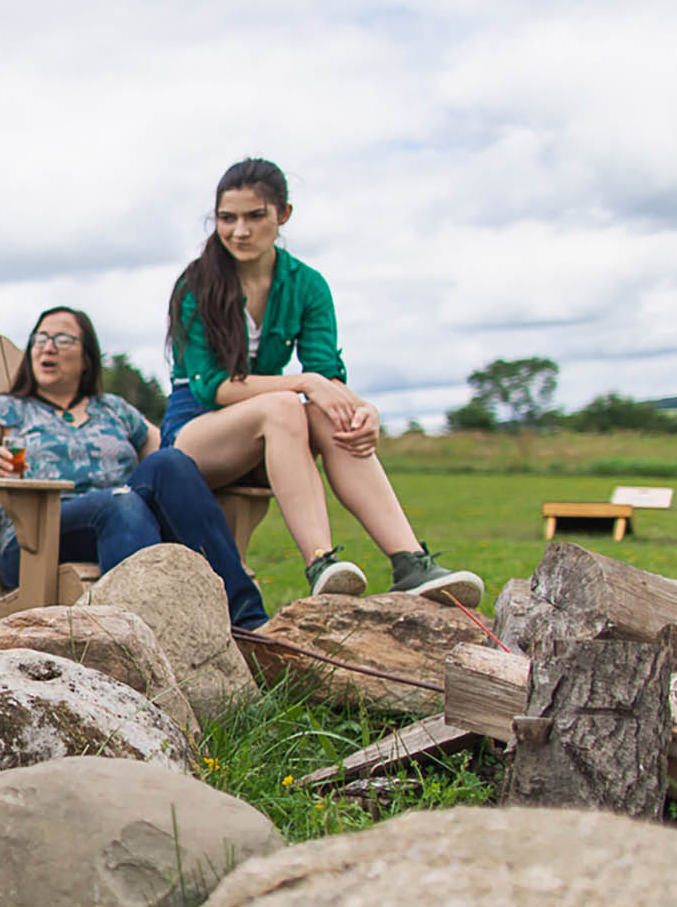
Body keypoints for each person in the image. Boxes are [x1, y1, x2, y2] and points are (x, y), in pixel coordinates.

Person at [162, 159, 481, 605]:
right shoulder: (196, 284)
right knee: (286, 405)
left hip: (273, 435)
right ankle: (320, 561)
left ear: (283, 215)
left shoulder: (307, 285)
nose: (239, 231)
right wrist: (305, 383)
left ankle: (410, 561)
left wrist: (363, 409)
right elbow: (214, 388)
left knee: (331, 415)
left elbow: (326, 374)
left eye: (255, 216)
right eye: (227, 218)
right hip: (196, 436)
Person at [0, 306, 269, 630]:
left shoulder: (115, 410)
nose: (47, 347)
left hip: (127, 522)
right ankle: (146, 633)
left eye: (62, 339)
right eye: (40, 338)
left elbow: (171, 456)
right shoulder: (9, 409)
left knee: (171, 462)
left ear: (86, 358)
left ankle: (248, 621)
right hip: (36, 539)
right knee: (119, 502)